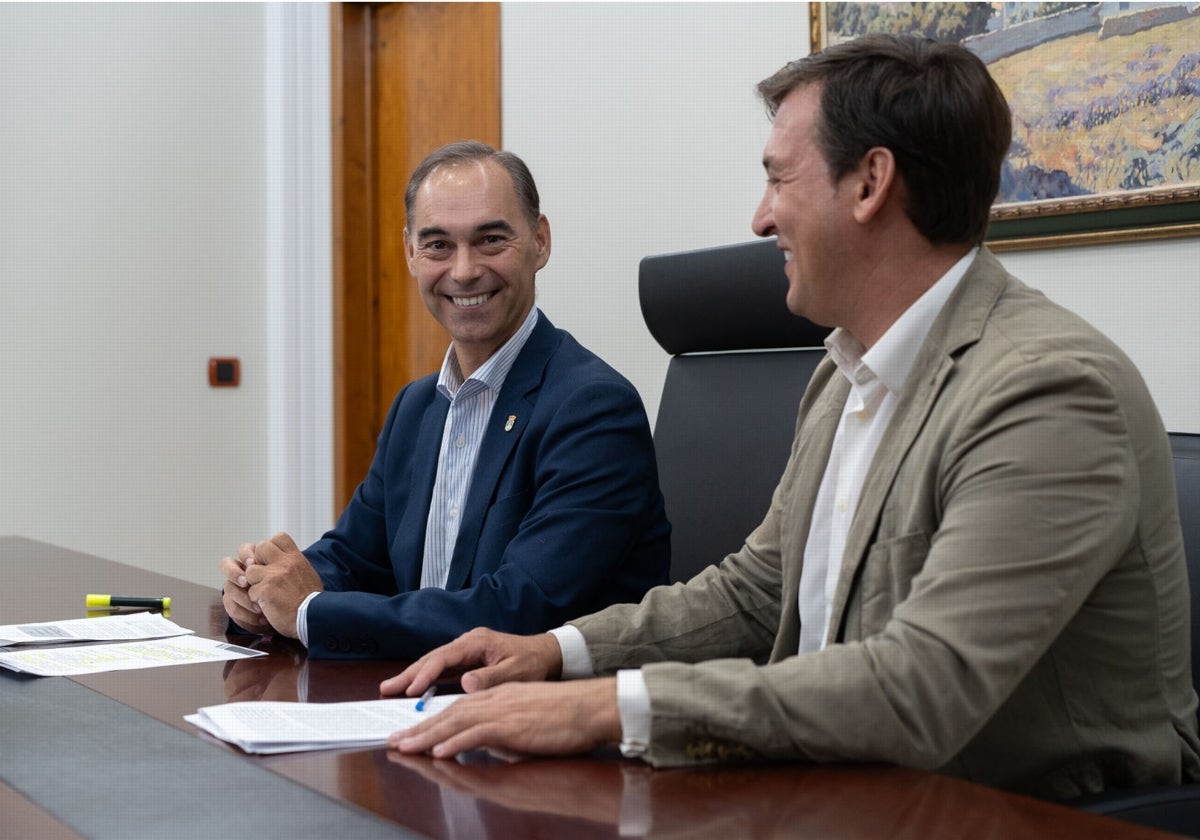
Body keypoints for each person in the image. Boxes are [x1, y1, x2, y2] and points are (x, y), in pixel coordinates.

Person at [381, 36, 1200, 799]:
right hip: (839, 788)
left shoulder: (1046, 390)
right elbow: (758, 592)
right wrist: (557, 654)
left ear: (871, 183)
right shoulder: (842, 375)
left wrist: (605, 707)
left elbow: (923, 686)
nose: (760, 218)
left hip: (1016, 810)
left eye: (779, 178)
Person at [220, 141, 670, 660]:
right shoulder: (416, 407)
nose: (463, 271)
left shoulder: (593, 409)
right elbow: (356, 557)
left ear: (540, 242)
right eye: (437, 245)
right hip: (422, 701)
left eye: (490, 240)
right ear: (410, 252)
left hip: (542, 719)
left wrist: (307, 612)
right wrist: (264, 586)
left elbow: (517, 612)